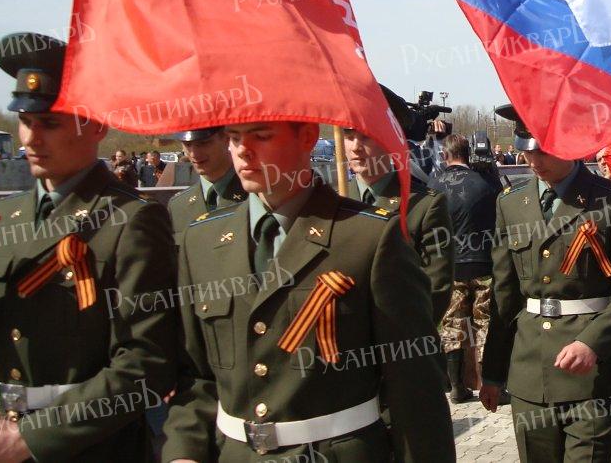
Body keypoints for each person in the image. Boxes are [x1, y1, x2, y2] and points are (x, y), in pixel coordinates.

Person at [162, 120, 453, 461]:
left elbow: (415, 385)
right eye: (234, 137)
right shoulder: (202, 240)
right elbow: (195, 377)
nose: (242, 150)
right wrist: (184, 451)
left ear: (307, 137)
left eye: (261, 136)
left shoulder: (369, 237)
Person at [0, 33, 178, 461]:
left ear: (96, 126)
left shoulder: (129, 219)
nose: (30, 139)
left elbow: (146, 365)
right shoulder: (1, 219)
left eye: (50, 123)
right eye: (25, 121)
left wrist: (29, 439)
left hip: (86, 447)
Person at [479, 105, 611, 461]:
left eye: (543, 151)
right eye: (527, 150)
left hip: (592, 378)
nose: (533, 161)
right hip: (530, 376)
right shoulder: (511, 204)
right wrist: (493, 373)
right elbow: (504, 296)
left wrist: (592, 342)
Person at [343, 86, 454, 326]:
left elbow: (436, 289)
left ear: (391, 139)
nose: (355, 147)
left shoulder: (425, 206)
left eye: (366, 136)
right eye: (349, 136)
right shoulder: (334, 203)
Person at [430, 134, 498, 404]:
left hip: (451, 265)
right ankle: (489, 384)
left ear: (444, 155)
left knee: (452, 325)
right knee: (485, 323)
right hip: (483, 262)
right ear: (468, 153)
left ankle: (457, 387)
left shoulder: (434, 185)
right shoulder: (484, 182)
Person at [166, 127, 246, 245]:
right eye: (187, 145)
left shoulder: (256, 195)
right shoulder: (178, 206)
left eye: (203, 143)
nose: (194, 153)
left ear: (226, 139)